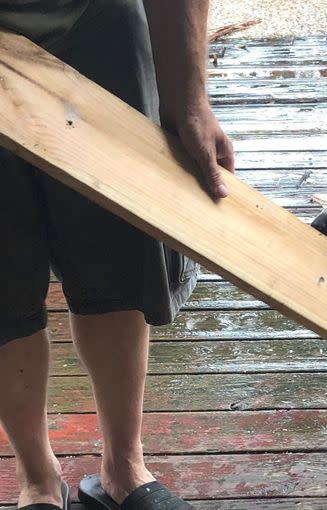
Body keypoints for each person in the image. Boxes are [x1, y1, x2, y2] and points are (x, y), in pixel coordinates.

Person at [0, 1, 234, 508]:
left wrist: (190, 96)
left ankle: (123, 469)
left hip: (98, 19)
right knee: (3, 281)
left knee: (118, 255)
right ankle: (37, 480)